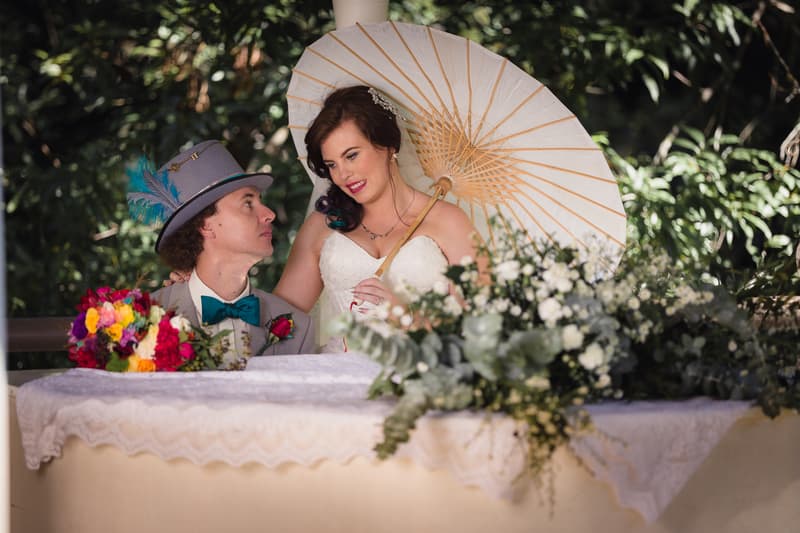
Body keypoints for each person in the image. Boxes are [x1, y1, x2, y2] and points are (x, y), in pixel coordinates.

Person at [272, 85, 483, 350]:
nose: (343, 175)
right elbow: (279, 324)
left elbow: (482, 327)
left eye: (352, 155)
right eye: (332, 165)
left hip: (419, 382)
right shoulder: (321, 226)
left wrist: (409, 318)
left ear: (388, 145)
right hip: (335, 381)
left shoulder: (448, 221)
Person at [128, 140, 316, 366]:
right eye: (248, 203)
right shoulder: (141, 320)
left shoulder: (299, 328)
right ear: (205, 225)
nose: (269, 214)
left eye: (261, 201)